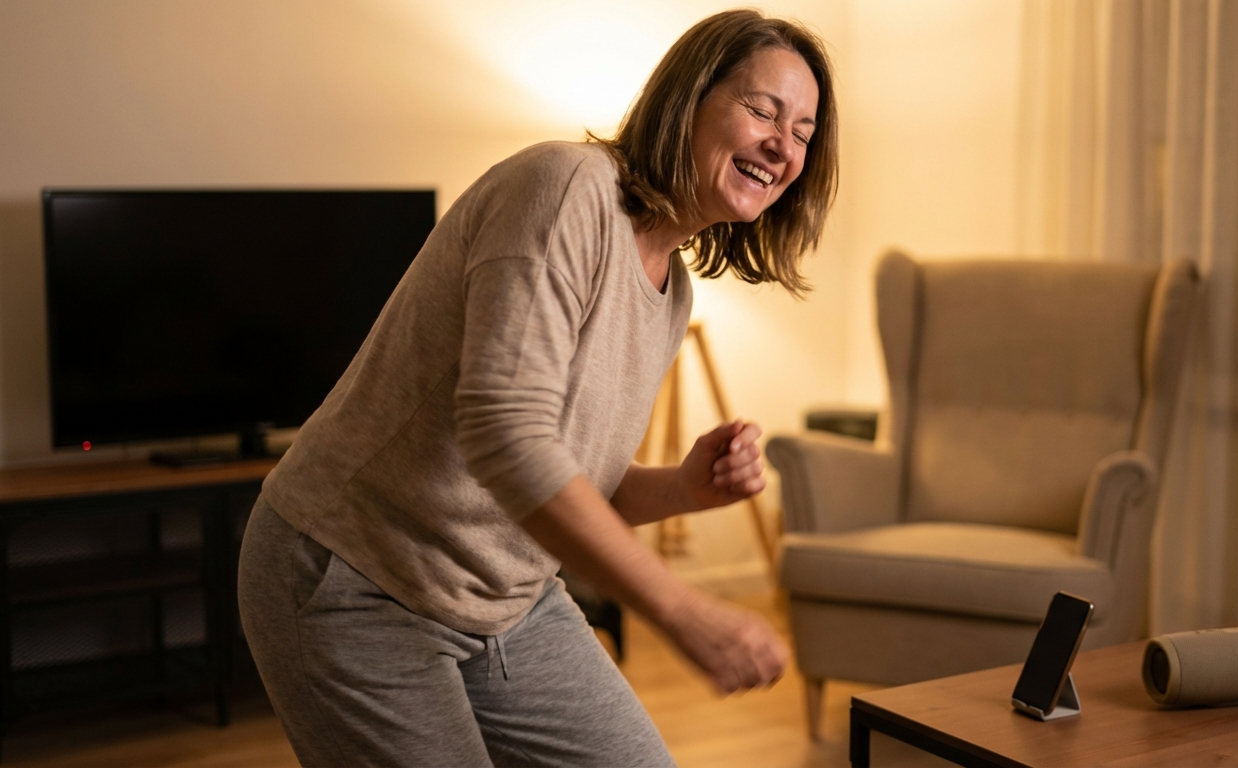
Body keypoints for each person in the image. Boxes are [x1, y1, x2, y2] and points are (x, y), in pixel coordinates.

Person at [237, 8, 838, 767]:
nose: (784, 145)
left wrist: (685, 486)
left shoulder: (673, 291)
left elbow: (570, 486)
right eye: (763, 109)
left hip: (506, 600)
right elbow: (505, 435)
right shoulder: (565, 189)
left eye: (805, 133)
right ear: (690, 97)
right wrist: (682, 610)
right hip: (354, 576)